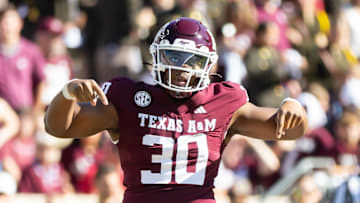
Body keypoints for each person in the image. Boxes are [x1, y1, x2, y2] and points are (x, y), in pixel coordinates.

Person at [45, 17, 308, 203]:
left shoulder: (225, 101)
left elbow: (289, 130)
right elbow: (58, 127)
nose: (182, 69)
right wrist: (67, 95)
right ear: (157, 56)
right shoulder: (128, 97)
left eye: (192, 61)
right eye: (174, 57)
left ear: (208, 65)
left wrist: (294, 106)